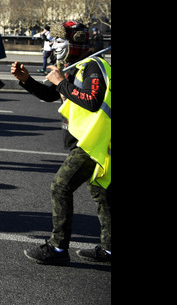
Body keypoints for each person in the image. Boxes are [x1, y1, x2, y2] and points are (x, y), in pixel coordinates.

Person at [13, 25, 111, 265]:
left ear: (73, 43)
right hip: (92, 140)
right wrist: (27, 81)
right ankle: (109, 250)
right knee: (101, 194)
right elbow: (51, 94)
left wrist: (60, 81)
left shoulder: (93, 66)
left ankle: (58, 248)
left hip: (92, 142)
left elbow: (90, 100)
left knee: (60, 186)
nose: (55, 45)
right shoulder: (78, 68)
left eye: (59, 40)